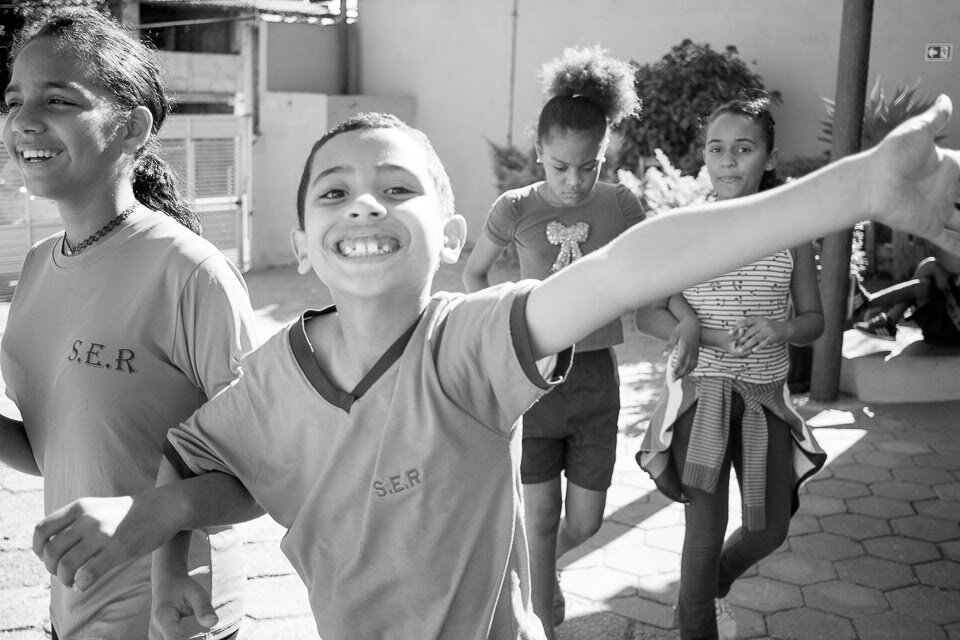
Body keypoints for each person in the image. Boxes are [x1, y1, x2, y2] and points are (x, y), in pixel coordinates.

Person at [30, 93, 960, 640]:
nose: (363, 206)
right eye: (335, 192)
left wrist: (859, 187)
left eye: (396, 189)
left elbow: (627, 267)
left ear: (451, 235)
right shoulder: (274, 374)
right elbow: (209, 465)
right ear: (301, 245)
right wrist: (157, 539)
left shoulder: (465, 342)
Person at [0, 9, 262, 640]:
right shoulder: (37, 267)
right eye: (13, 100)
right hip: (72, 613)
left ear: (132, 127)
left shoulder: (189, 272)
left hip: (173, 620)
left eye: (59, 99)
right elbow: (62, 453)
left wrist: (155, 520)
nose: (23, 120)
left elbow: (268, 472)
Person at [462, 45, 643, 635]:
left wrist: (683, 319)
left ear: (603, 153)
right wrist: (494, 332)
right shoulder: (515, 208)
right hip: (532, 380)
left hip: (595, 380)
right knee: (538, 516)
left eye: (587, 165)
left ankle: (537, 574)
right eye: (559, 166)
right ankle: (539, 609)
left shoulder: (621, 204)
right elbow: (475, 273)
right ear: (538, 152)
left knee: (584, 522)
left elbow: (650, 269)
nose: (572, 180)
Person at [634, 97, 827, 640]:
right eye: (716, 149)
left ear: (767, 157)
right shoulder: (685, 228)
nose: (728, 162)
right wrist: (698, 329)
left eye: (743, 150)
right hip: (703, 397)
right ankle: (696, 624)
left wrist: (783, 329)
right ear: (703, 156)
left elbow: (815, 319)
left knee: (769, 530)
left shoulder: (790, 231)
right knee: (704, 530)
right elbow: (648, 311)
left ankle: (708, 589)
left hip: (765, 396)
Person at [854, 247, 960, 345]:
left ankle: (870, 307)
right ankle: (886, 319)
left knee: (928, 275)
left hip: (950, 328)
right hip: (948, 316)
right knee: (929, 267)